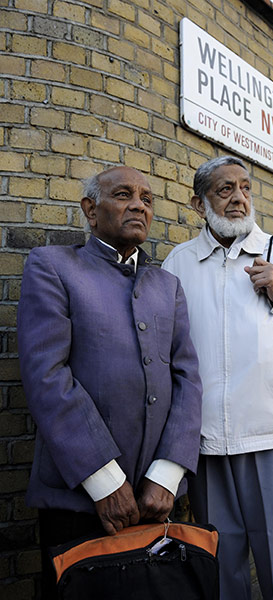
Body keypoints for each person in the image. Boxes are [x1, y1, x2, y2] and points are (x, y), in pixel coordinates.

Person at [162, 155, 273, 600]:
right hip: (205, 439)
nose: (239, 198)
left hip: (269, 431)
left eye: (245, 187)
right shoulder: (179, 262)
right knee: (222, 565)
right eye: (225, 190)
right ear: (198, 202)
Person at [17, 165, 202, 599]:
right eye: (123, 195)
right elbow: (46, 375)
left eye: (147, 198)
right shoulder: (53, 266)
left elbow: (188, 377)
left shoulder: (167, 286)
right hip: (78, 496)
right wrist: (104, 480)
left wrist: (168, 473)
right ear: (90, 210)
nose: (139, 204)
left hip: (157, 497)